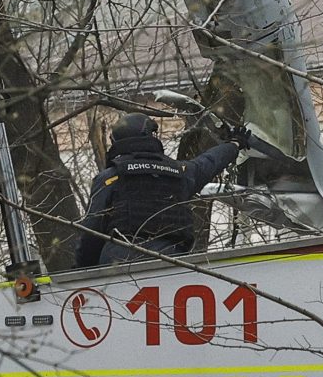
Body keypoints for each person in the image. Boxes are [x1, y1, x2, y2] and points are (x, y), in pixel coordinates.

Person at [75, 112, 251, 267]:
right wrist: (234, 144)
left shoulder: (110, 177)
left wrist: (82, 273)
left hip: (118, 264)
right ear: (150, 137)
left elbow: (92, 231)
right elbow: (208, 163)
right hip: (170, 262)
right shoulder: (179, 172)